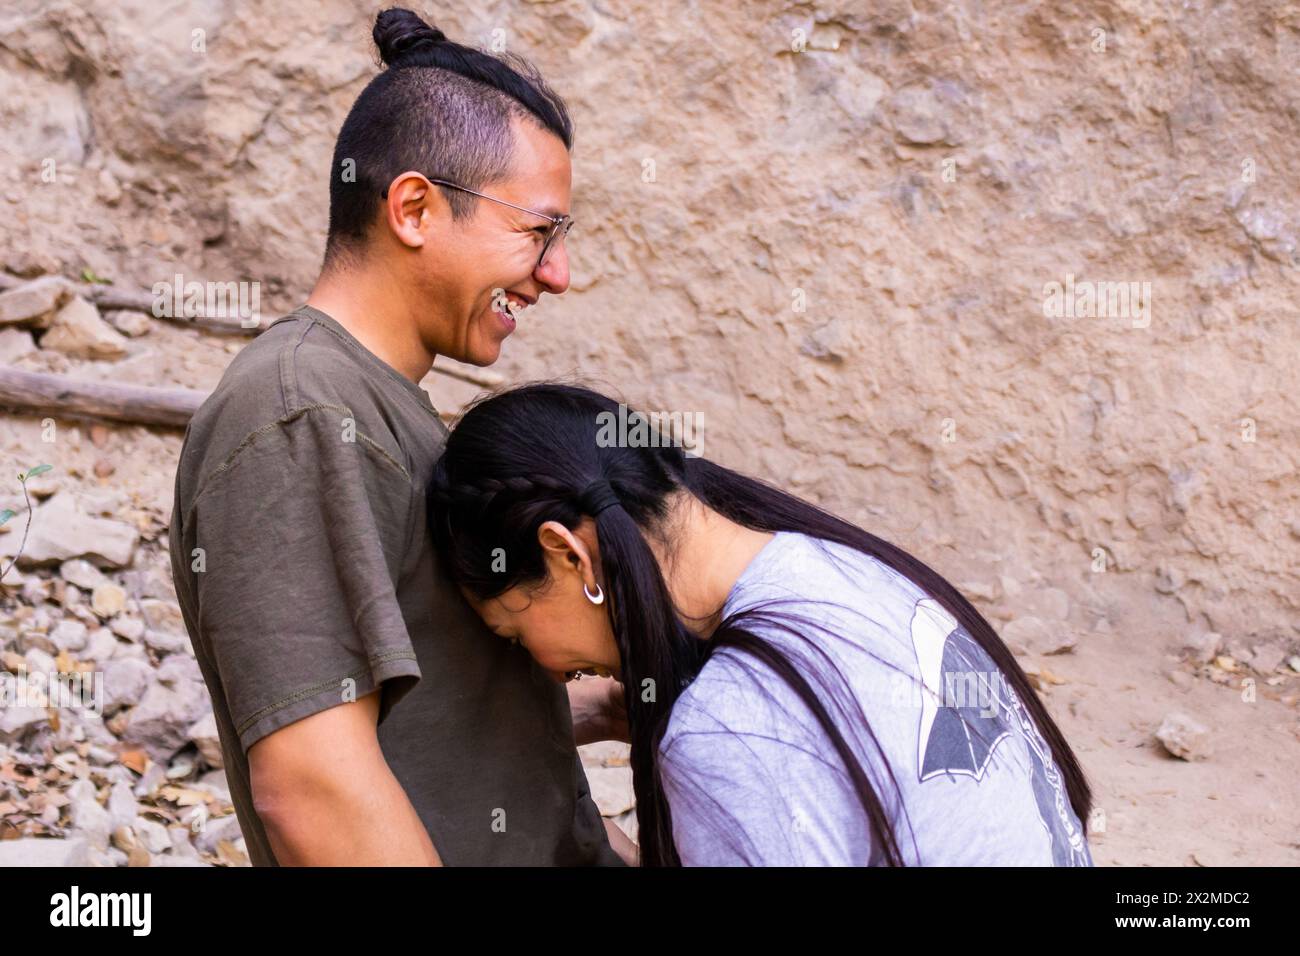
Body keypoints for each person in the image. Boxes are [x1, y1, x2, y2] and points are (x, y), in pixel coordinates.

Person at [169, 9, 626, 865]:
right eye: (538, 231)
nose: (557, 274)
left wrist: (595, 710)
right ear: (414, 207)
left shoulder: (377, 405)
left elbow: (414, 715)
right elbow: (313, 786)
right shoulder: (298, 411)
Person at [428, 383, 1098, 866]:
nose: (543, 665)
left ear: (568, 555)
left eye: (516, 635)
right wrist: (606, 707)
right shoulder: (837, 565)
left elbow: (757, 758)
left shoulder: (727, 728)